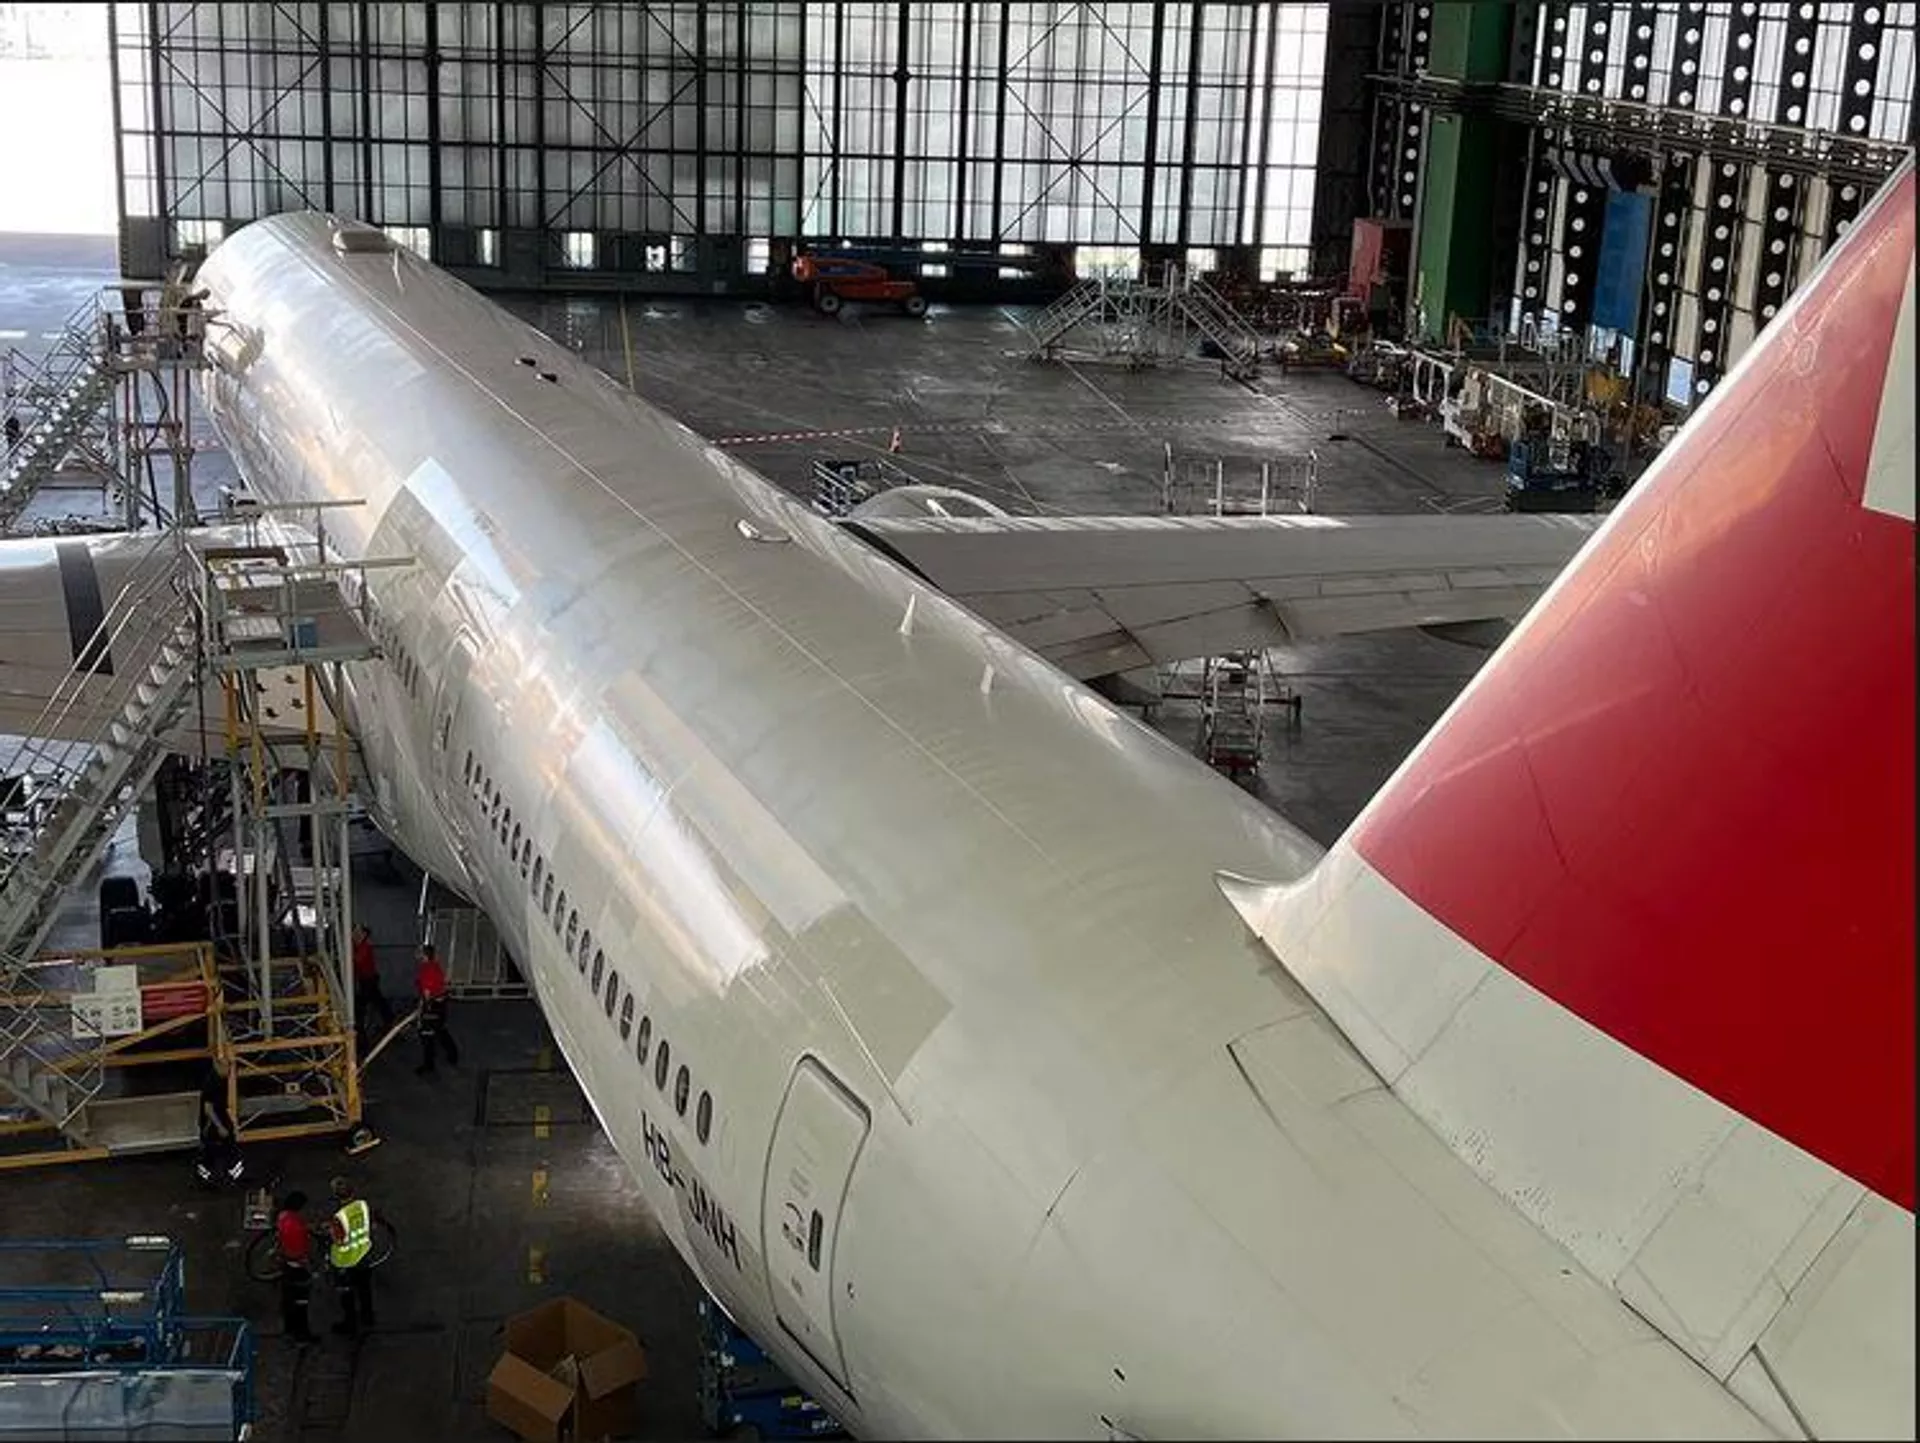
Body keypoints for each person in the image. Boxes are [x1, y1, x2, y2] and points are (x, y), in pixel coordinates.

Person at [326, 1176, 376, 1336]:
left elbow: (338, 1241)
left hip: (345, 1263)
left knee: (346, 1295)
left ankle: (350, 1324)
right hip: (363, 1256)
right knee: (364, 1290)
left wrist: (330, 1231)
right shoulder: (362, 1205)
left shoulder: (339, 1217)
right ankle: (368, 1317)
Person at [275, 1190, 317, 1344]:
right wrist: (312, 1272)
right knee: (301, 1304)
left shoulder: (283, 1217)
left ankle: (290, 1329)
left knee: (288, 1300)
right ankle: (303, 1336)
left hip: (286, 1268)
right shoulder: (297, 1228)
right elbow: (301, 1256)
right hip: (298, 1271)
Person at [194, 1059, 244, 1185]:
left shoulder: (220, 1079)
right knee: (212, 1153)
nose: (229, 1070)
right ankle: (209, 1179)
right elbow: (208, 1108)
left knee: (226, 1151)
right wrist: (220, 1126)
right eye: (227, 1066)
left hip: (219, 1120)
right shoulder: (213, 1082)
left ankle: (226, 1177)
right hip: (212, 1124)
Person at [414, 943, 459, 1075]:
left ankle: (429, 1064)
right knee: (439, 1030)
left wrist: (422, 1009)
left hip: (432, 1006)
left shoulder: (426, 969)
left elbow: (427, 993)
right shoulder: (434, 966)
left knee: (427, 1034)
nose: (416, 953)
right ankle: (452, 1054)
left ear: (424, 955)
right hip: (439, 1004)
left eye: (419, 952)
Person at [352, 924, 393, 1043]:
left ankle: (361, 1034)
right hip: (366, 979)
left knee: (362, 1004)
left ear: (364, 935)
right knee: (377, 1000)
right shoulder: (359, 945)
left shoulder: (365, 946)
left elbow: (357, 960)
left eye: (357, 932)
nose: (354, 934)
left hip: (369, 979)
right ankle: (389, 1018)